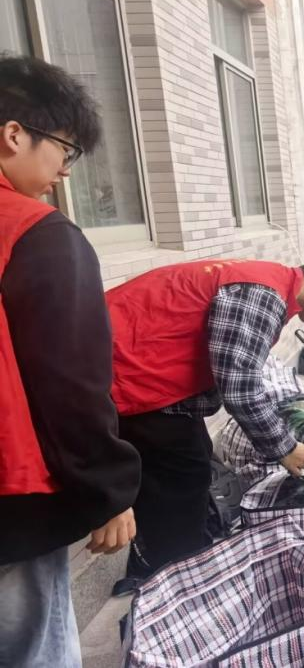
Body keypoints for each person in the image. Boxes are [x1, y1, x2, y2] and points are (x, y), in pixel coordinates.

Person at [106, 256, 304, 590]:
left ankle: (157, 558)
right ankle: (181, 586)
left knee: (193, 461)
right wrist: (286, 449)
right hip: (129, 381)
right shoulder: (262, 293)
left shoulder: (264, 280)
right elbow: (240, 387)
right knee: (184, 478)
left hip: (139, 378)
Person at [0, 55, 141, 667]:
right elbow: (72, 380)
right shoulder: (36, 233)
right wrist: (108, 491)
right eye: (64, 148)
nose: (64, 170)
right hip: (11, 496)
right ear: (13, 135)